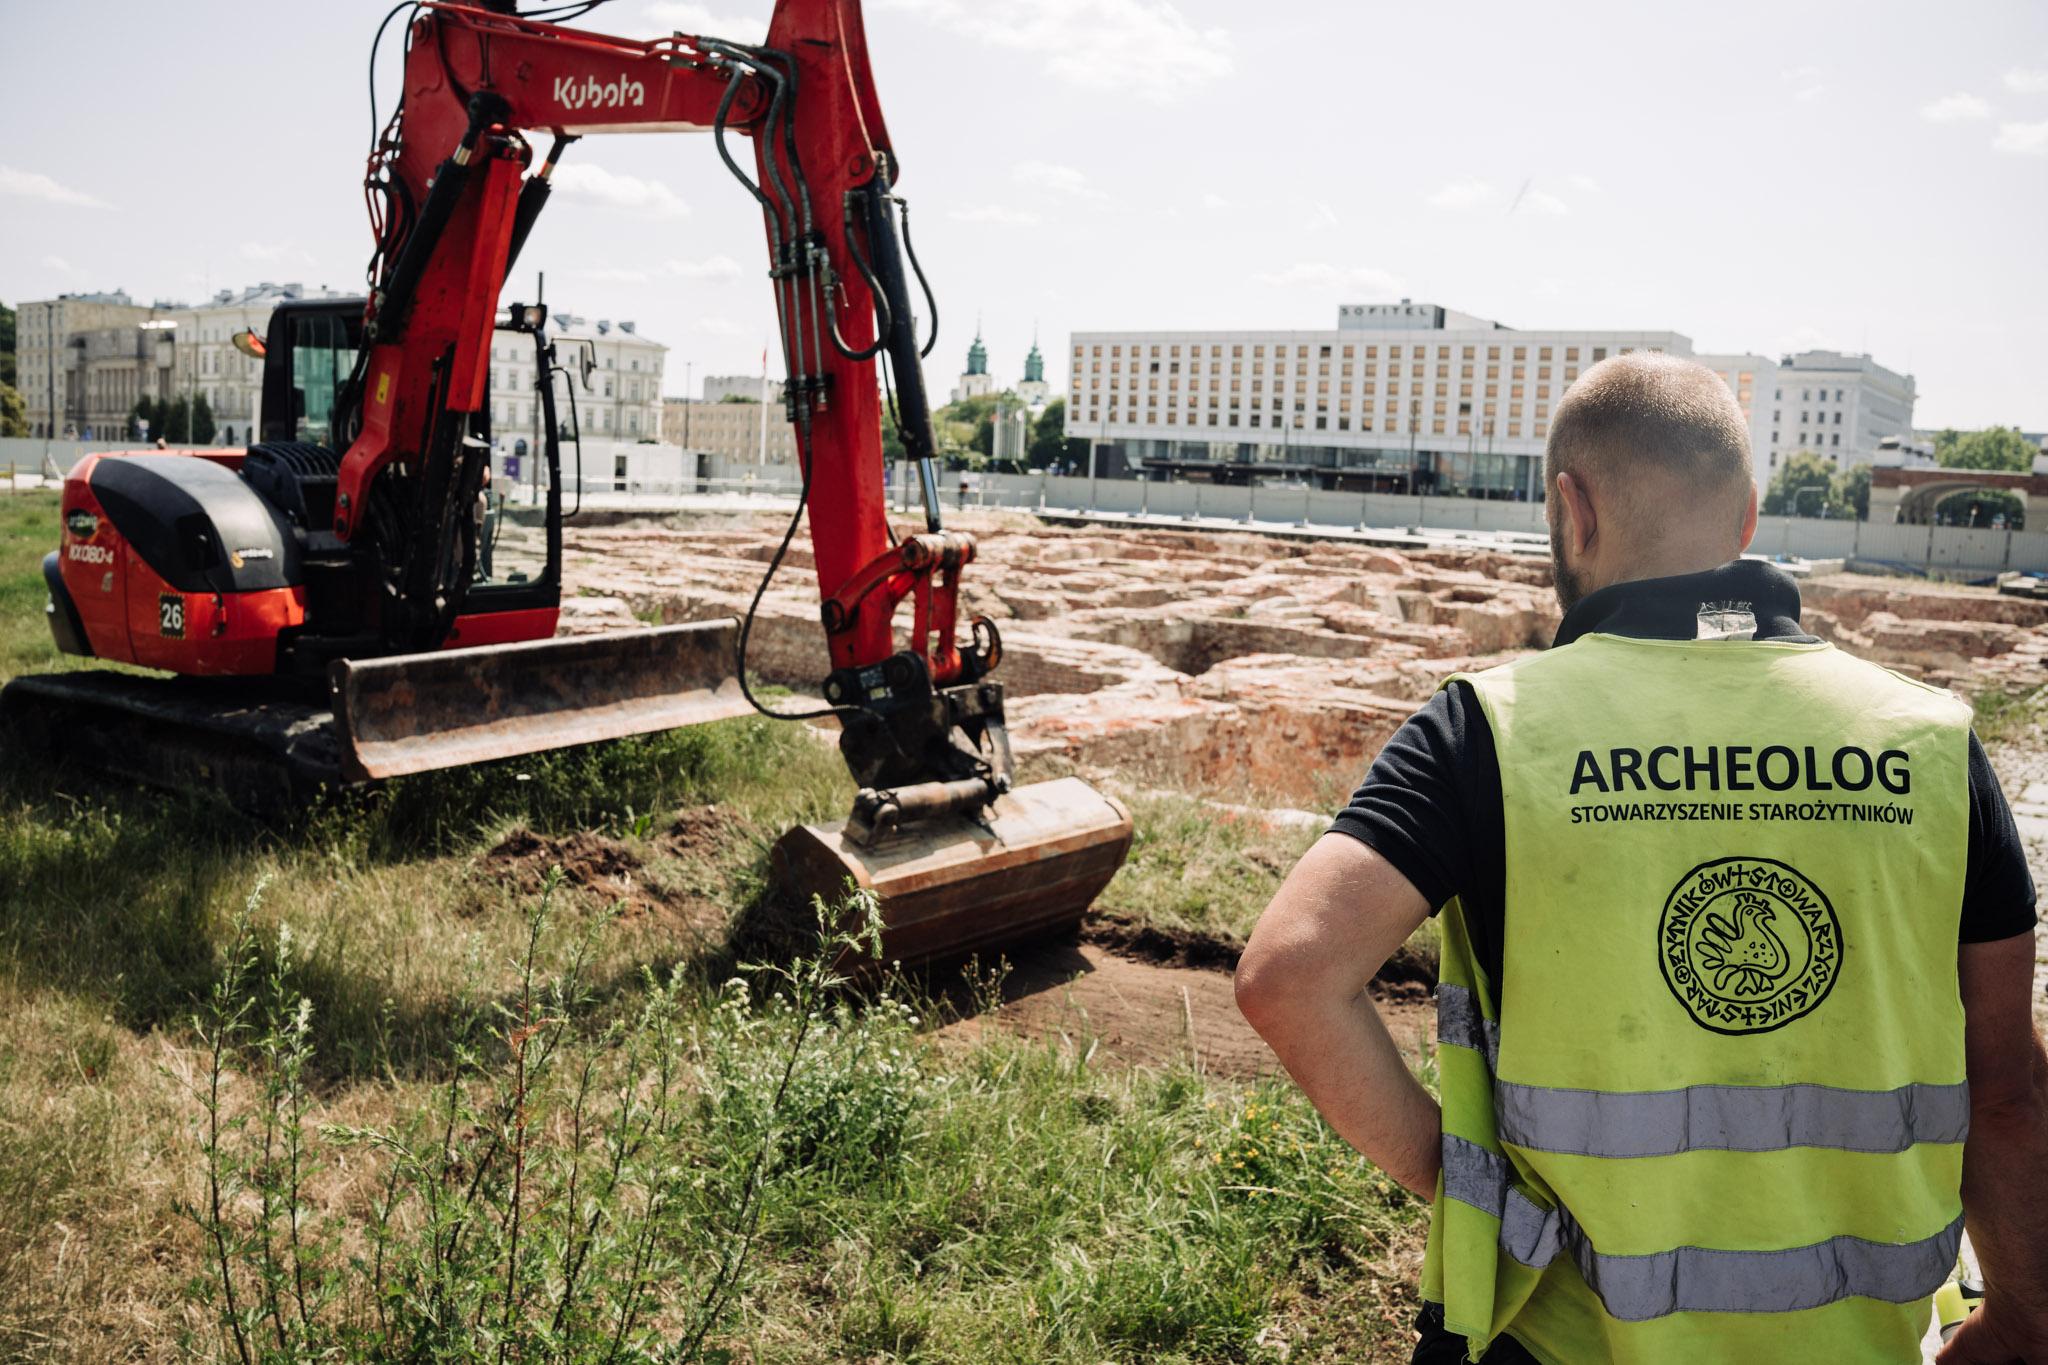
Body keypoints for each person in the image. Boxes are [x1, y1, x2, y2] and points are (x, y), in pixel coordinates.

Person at [1235, 353, 2048, 1365]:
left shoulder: (1489, 730)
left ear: (1570, 510)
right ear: (1747, 519)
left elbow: (1288, 977)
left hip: (1561, 1339)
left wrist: (1456, 1181)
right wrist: (2024, 1313)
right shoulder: (1929, 743)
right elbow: (2004, 1086)